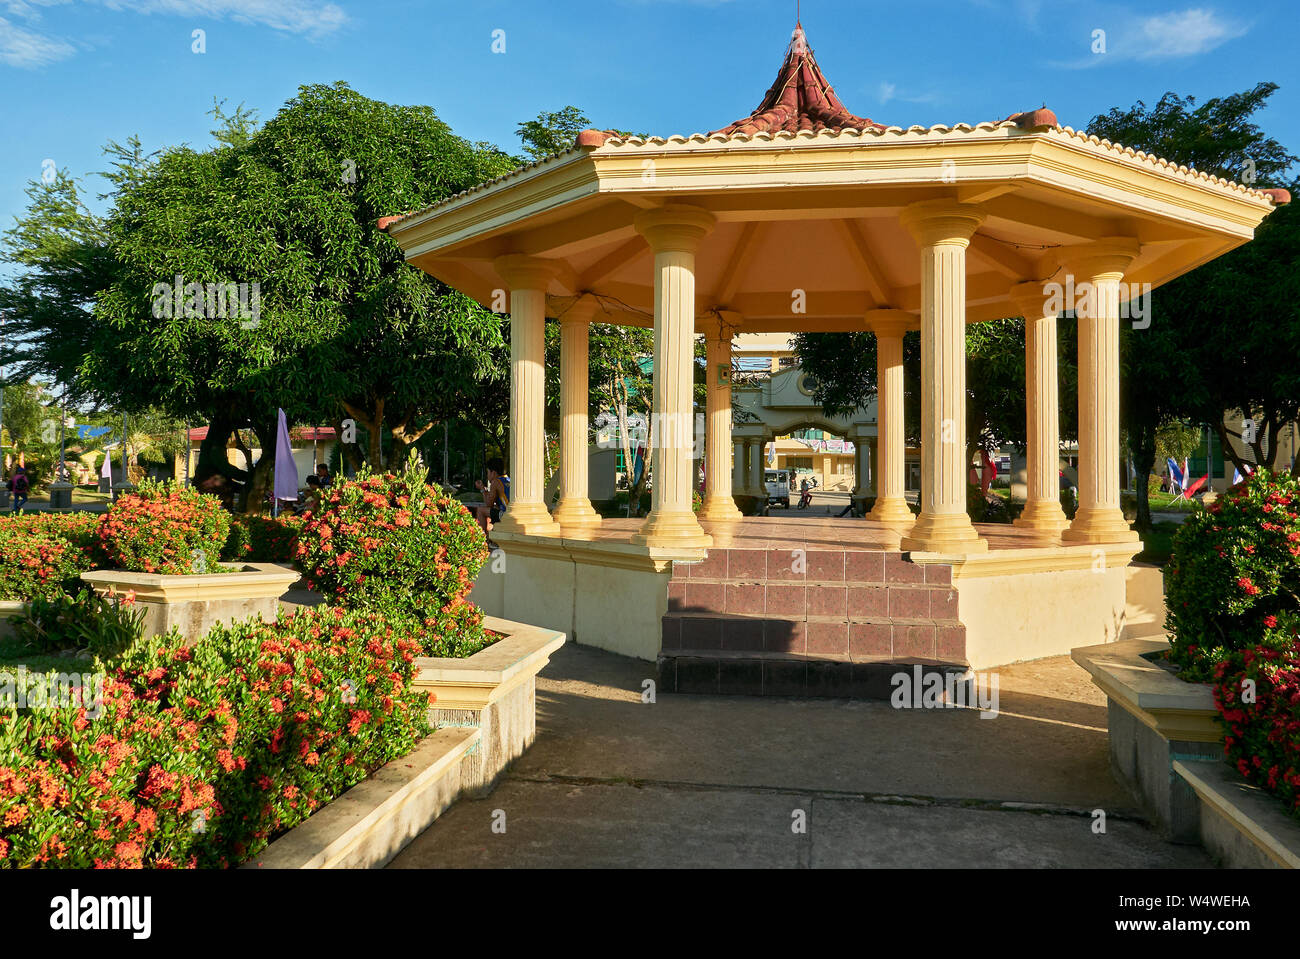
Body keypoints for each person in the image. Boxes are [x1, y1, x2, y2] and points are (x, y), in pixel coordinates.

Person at [475, 457, 510, 538]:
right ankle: (491, 537)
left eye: (488, 472)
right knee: (493, 509)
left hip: (506, 515)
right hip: (510, 512)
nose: (487, 476)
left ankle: (482, 541)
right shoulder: (508, 479)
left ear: (493, 473)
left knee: (480, 510)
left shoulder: (496, 482)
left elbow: (488, 504)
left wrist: (482, 489)